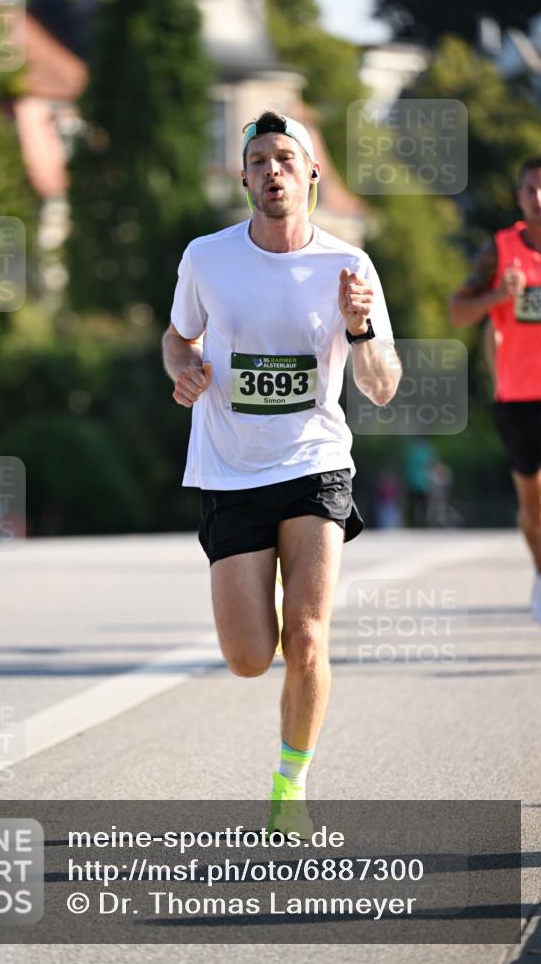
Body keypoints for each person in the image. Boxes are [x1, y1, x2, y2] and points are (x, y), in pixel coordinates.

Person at [162, 111, 401, 833]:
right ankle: (261, 577)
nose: (272, 171)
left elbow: (382, 384)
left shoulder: (348, 266)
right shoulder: (207, 257)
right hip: (230, 469)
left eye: (286, 160)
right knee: (246, 657)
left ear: (310, 177)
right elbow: (178, 339)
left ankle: (289, 787)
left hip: (313, 463)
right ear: (243, 178)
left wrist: (358, 329)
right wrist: (184, 373)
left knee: (306, 637)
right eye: (258, 159)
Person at [449, 156, 541, 622]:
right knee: (533, 506)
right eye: (531, 190)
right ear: (520, 196)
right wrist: (499, 297)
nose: (539, 199)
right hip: (519, 398)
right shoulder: (500, 250)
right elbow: (457, 313)